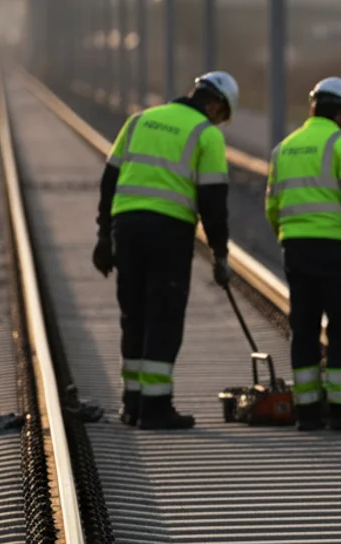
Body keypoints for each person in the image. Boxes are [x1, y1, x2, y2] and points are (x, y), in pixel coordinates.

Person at [93, 71, 239, 430]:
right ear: (216, 104)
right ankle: (155, 408)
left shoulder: (139, 120)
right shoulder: (206, 134)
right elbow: (213, 202)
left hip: (126, 228)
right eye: (222, 115)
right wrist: (220, 255)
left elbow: (109, 179)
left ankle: (132, 404)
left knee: (134, 313)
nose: (219, 121)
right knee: (164, 315)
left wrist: (103, 236)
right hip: (168, 232)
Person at [265, 77, 341, 431]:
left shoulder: (284, 148)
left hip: (296, 249)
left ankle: (308, 412)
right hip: (336, 251)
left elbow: (272, 205)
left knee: (303, 327)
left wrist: (288, 237)